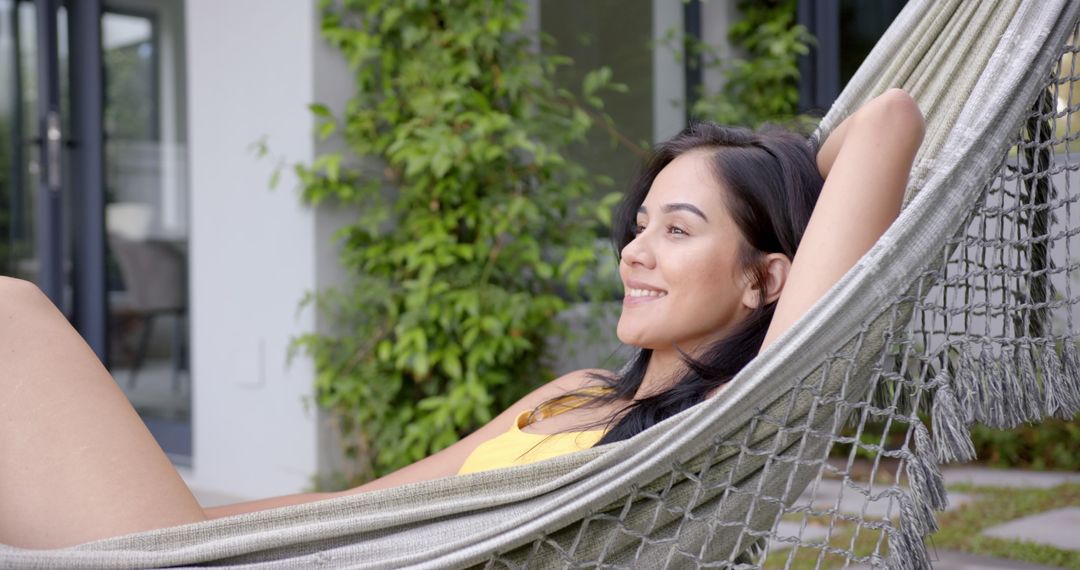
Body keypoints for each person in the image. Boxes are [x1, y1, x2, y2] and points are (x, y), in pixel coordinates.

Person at [0, 88, 925, 549]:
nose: (633, 253)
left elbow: (886, 119)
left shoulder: (742, 420)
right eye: (639, 225)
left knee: (10, 311)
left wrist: (781, 177)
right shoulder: (575, 396)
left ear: (769, 279)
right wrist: (203, 531)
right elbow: (371, 502)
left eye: (677, 230)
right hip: (242, 562)